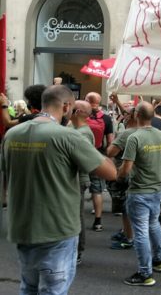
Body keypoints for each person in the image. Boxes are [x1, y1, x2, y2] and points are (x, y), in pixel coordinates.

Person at [2, 85, 116, 294]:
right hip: (57, 228)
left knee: (28, 286)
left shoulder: (12, 135)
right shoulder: (67, 137)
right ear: (66, 107)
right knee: (53, 290)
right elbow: (110, 172)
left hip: (22, 226)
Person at [119, 101, 161, 286]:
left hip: (139, 190)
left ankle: (145, 273)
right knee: (154, 224)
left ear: (136, 115)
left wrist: (118, 175)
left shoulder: (134, 137)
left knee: (140, 232)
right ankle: (159, 261)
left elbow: (126, 168)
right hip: (157, 188)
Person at [105, 104, 138, 250]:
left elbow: (110, 152)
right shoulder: (154, 132)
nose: (123, 115)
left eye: (125, 113)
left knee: (126, 209)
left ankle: (129, 237)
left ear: (131, 116)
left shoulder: (126, 133)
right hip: (144, 177)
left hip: (125, 174)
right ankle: (128, 233)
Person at [70, 100, 96, 264]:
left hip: (78, 179)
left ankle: (78, 251)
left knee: (76, 216)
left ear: (77, 111)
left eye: (71, 106)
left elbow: (84, 160)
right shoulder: (74, 128)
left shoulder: (83, 133)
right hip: (73, 179)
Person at [85, 91, 115, 232]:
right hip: (97, 156)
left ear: (86, 100)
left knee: (75, 187)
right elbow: (110, 141)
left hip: (78, 156)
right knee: (97, 191)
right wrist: (108, 158)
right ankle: (98, 221)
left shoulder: (79, 114)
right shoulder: (106, 119)